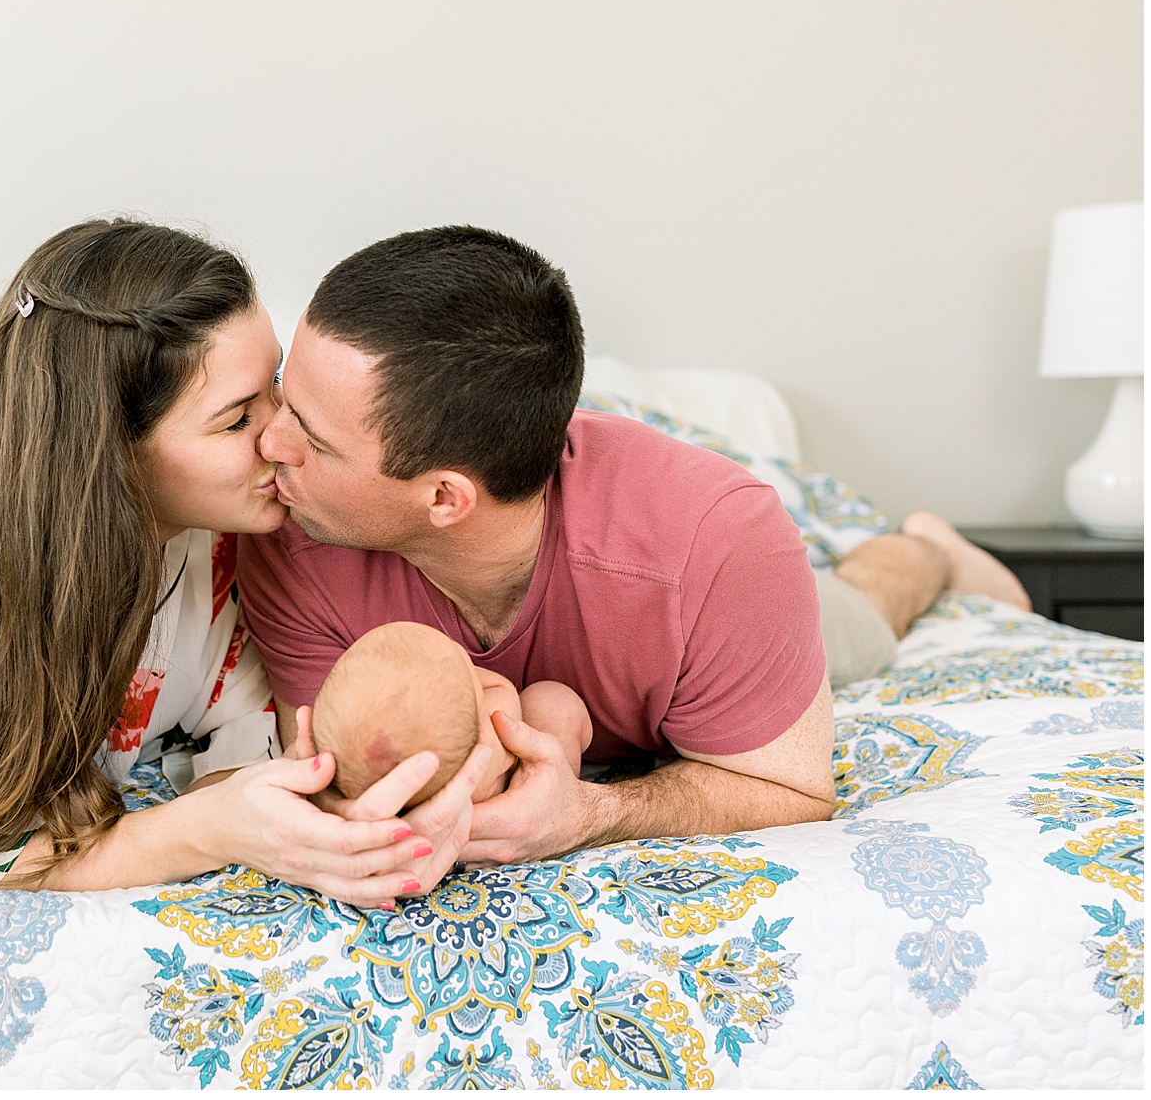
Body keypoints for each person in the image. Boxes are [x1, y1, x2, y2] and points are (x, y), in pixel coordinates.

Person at [238, 224, 1033, 884]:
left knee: (860, 616)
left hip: (711, 587)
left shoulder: (717, 544)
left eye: (308, 434)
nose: (268, 443)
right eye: (283, 392)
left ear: (444, 496)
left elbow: (787, 788)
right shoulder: (290, 534)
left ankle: (925, 550)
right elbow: (333, 772)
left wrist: (591, 814)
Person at [0, 219, 466, 904]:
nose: (282, 440)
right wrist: (204, 829)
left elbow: (247, 743)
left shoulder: (240, 531)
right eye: (238, 418)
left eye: (272, 388)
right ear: (108, 457)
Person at [311, 620, 590, 806]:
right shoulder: (486, 748)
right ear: (480, 734)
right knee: (553, 703)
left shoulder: (408, 799)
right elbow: (502, 689)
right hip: (526, 805)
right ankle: (562, 800)